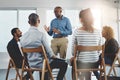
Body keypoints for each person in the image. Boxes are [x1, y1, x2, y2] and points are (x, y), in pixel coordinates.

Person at [20, 13, 68, 80]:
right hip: (43, 64)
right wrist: (57, 58)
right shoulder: (41, 35)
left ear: (28, 22)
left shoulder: (22, 37)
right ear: (39, 21)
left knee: (46, 62)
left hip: (31, 65)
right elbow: (50, 53)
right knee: (64, 64)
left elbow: (24, 54)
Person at [71, 8, 103, 80]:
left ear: (81, 19)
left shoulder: (77, 32)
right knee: (86, 65)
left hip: (82, 63)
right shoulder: (98, 32)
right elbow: (99, 51)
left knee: (73, 61)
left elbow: (73, 52)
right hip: (95, 63)